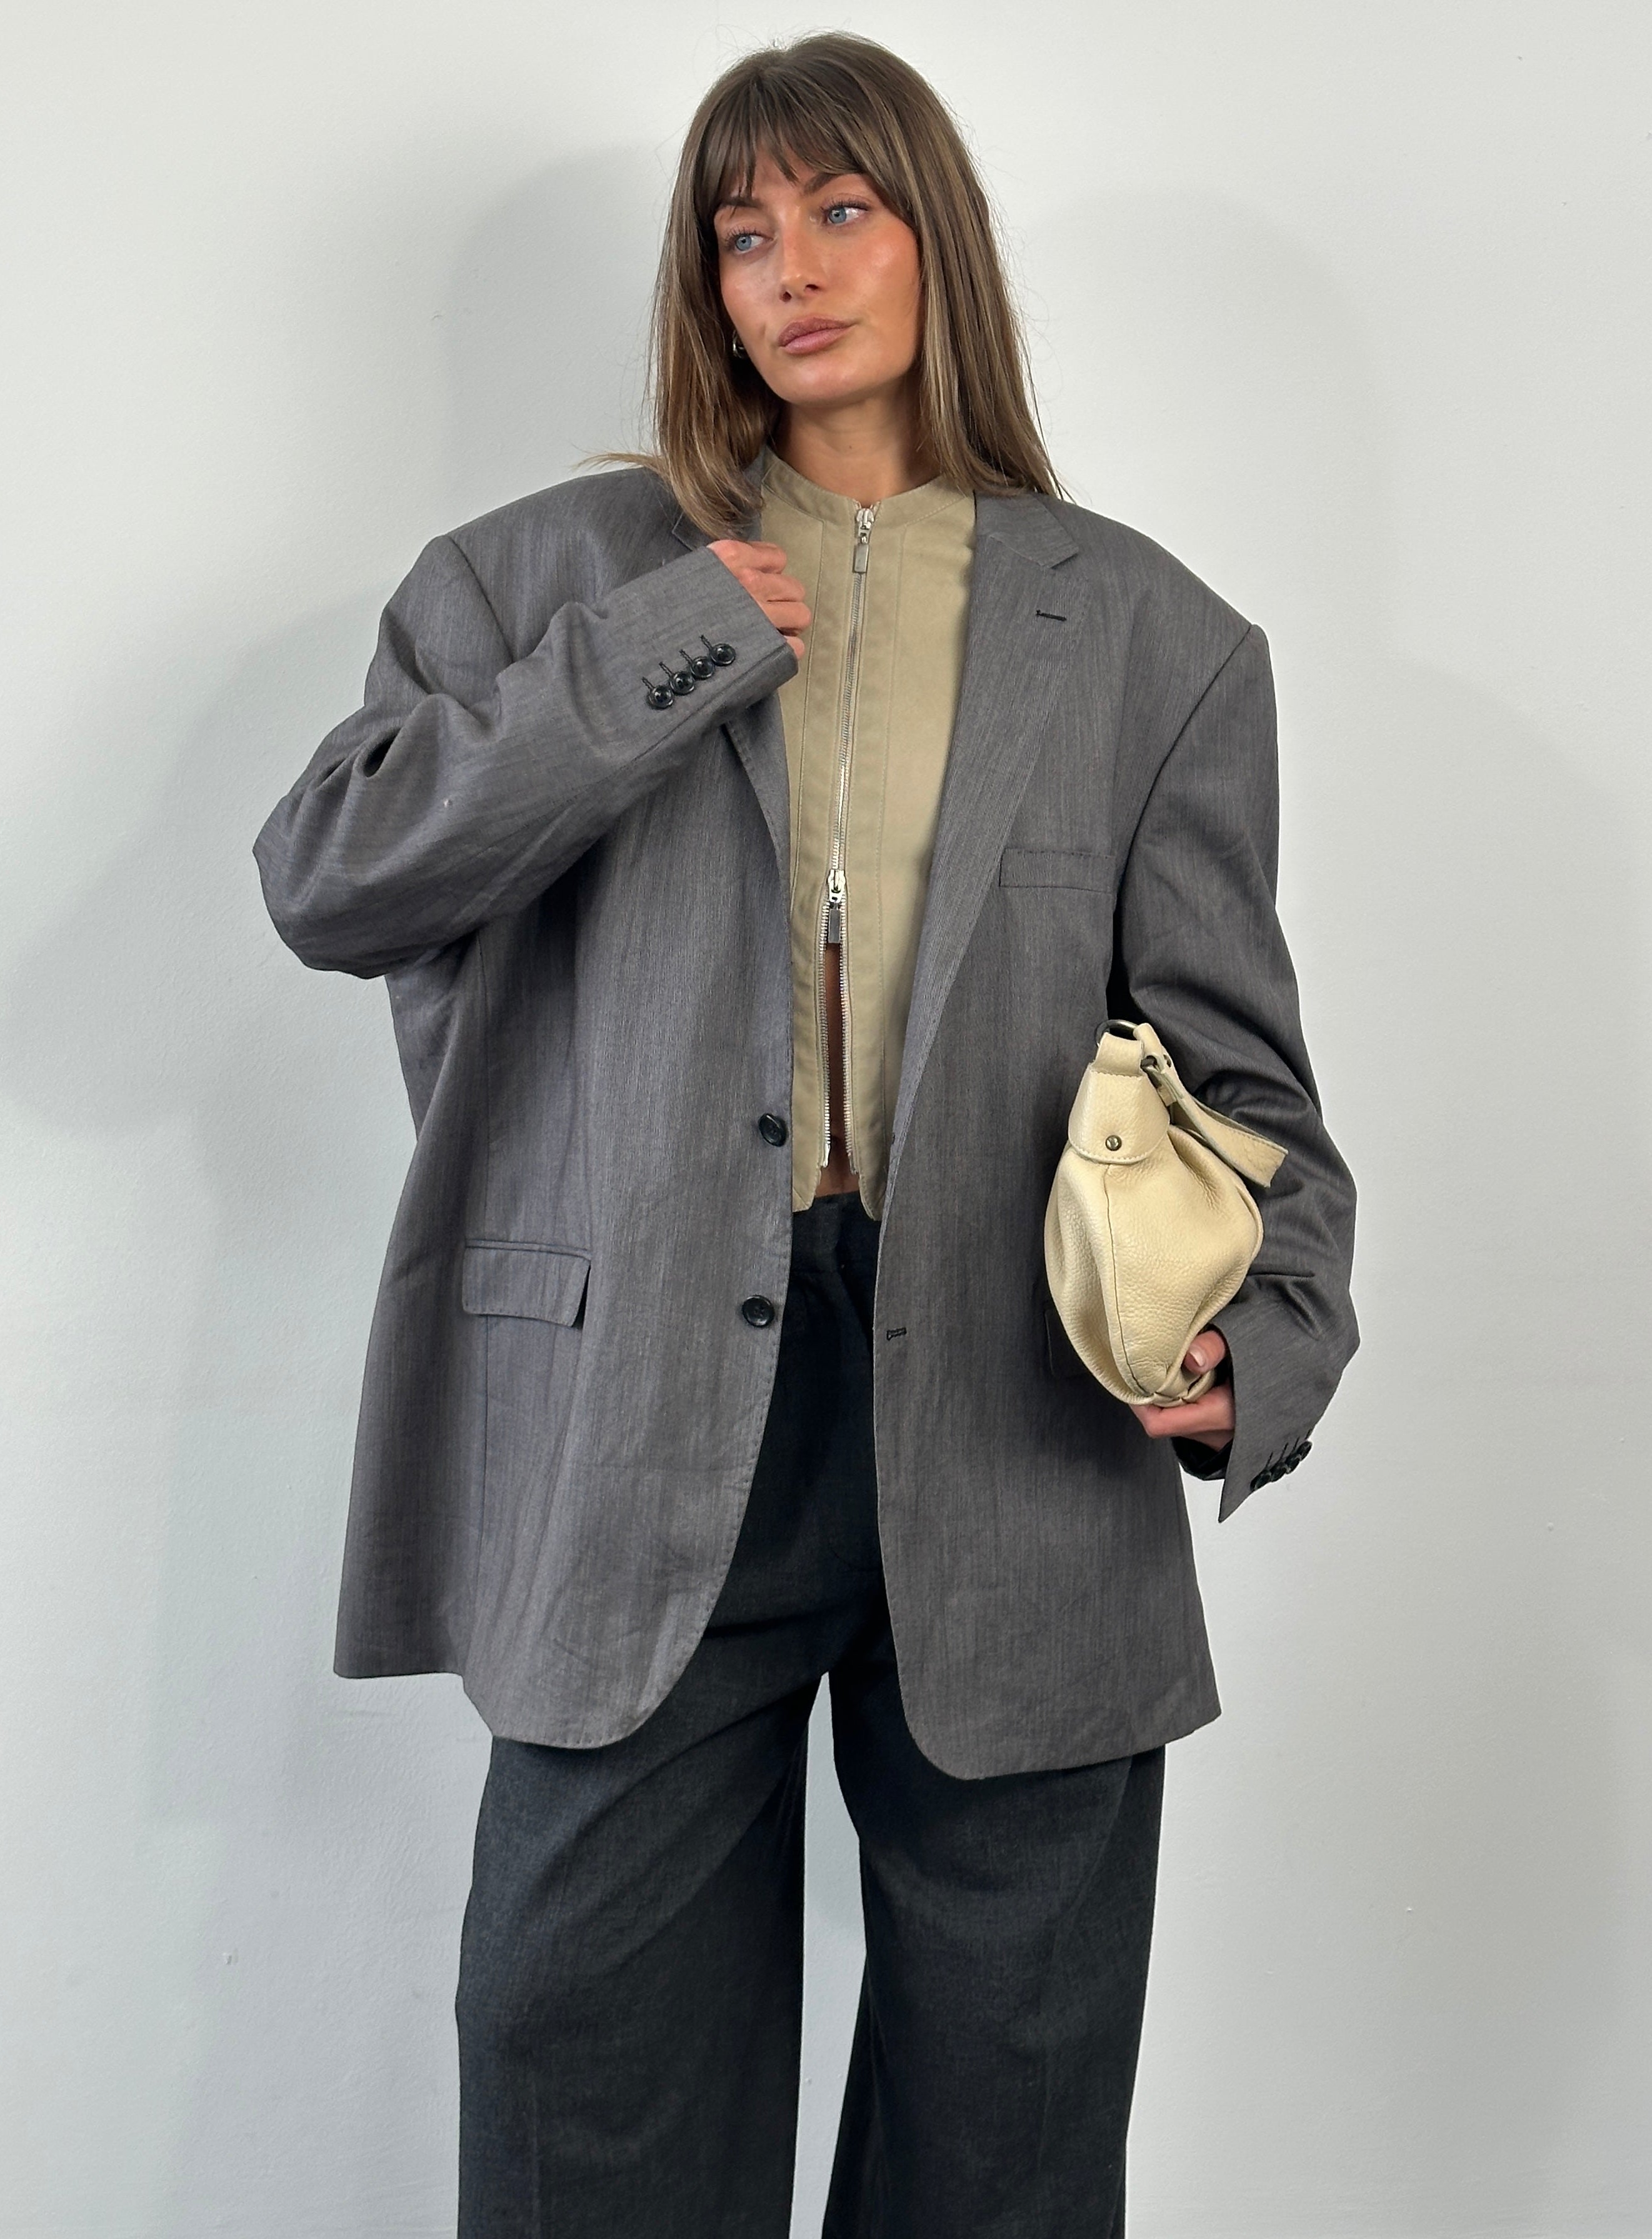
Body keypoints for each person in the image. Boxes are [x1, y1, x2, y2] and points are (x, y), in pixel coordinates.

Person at [254, 31, 1357, 2239]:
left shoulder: (1151, 635)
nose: (792, 269)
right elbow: (330, 877)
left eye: (842, 211)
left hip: (1023, 1412)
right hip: (642, 1404)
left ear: (937, 239)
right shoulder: (538, 583)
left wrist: (1277, 1337)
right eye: (741, 231)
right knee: (579, 2073)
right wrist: (641, 661)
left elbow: (1240, 1079)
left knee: (1007, 2124)